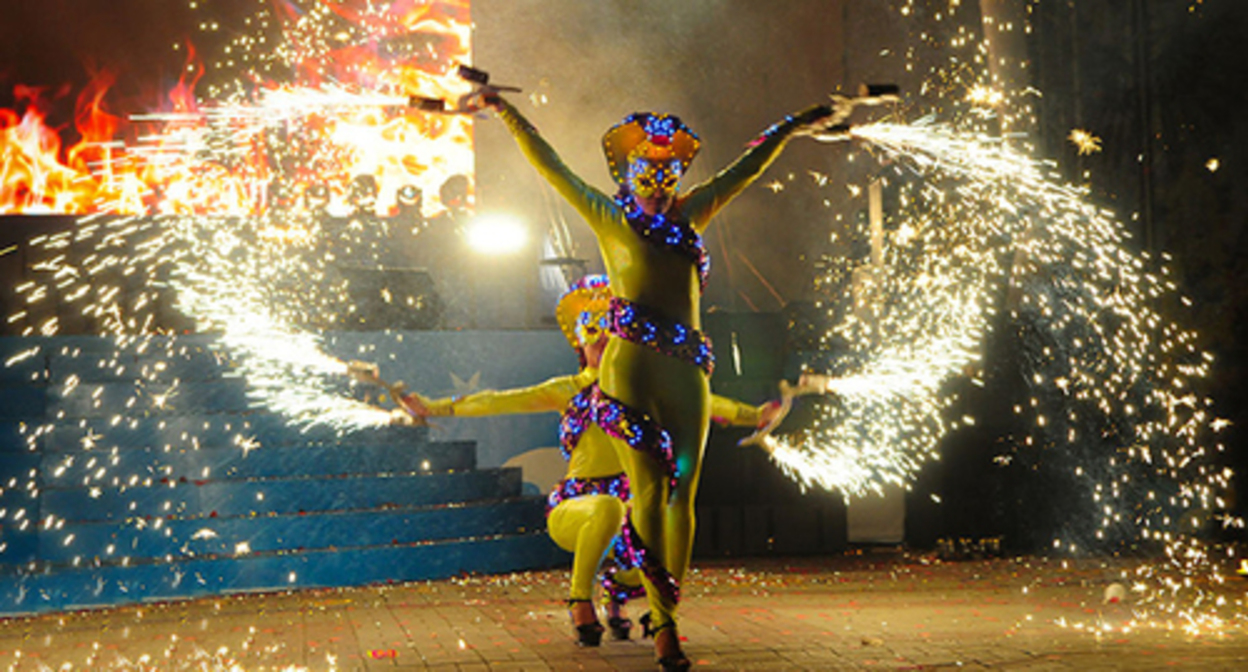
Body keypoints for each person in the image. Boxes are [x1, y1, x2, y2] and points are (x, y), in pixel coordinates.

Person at [478, 91, 839, 669]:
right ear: (627, 172)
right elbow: (550, 163)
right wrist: (504, 110)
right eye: (649, 168)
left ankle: (666, 605)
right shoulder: (607, 215)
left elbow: (744, 170)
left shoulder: (692, 213)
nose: (661, 178)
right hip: (629, 366)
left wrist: (793, 126)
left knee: (683, 492)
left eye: (670, 170)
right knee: (647, 489)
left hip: (687, 366)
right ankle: (664, 623)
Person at [396, 275, 780, 648]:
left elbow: (704, 403)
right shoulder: (567, 390)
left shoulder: (644, 392)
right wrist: (434, 407)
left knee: (653, 540)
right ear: (581, 342)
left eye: (609, 332)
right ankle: (580, 602)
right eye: (592, 332)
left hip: (633, 506)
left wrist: (754, 414)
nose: (602, 341)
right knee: (606, 508)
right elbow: (498, 400)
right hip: (576, 507)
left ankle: (615, 594)